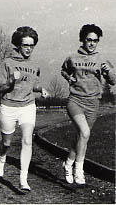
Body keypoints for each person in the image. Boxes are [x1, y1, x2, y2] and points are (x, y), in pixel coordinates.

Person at [0, 26, 49, 191]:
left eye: (32, 45)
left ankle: (23, 179)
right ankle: (2, 157)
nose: (29, 49)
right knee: (7, 142)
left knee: (27, 140)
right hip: (9, 106)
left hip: (27, 106)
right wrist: (10, 82)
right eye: (25, 45)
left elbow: (33, 83)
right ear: (18, 45)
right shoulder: (7, 63)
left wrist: (41, 89)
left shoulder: (35, 64)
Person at [61, 24, 116, 185]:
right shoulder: (72, 57)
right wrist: (69, 78)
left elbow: (113, 81)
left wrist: (109, 71)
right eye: (89, 40)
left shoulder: (102, 59)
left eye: (95, 41)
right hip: (75, 100)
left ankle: (68, 163)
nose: (92, 43)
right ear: (82, 40)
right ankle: (79, 170)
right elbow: (64, 70)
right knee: (84, 132)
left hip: (93, 103)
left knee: (82, 136)